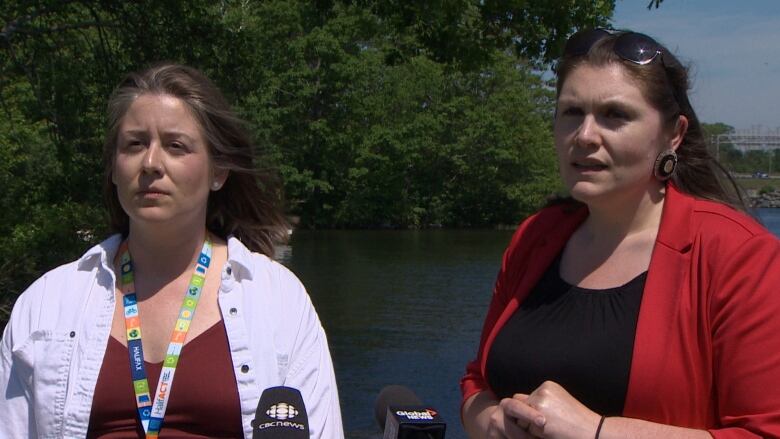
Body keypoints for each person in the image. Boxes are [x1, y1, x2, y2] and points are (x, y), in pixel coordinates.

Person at [461, 28, 780, 439]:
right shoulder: (535, 237)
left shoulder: (739, 256)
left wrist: (596, 432)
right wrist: (486, 419)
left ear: (673, 134)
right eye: (572, 112)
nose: (585, 136)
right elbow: (476, 380)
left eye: (615, 115)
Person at [0, 63, 344, 438]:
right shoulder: (47, 303)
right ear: (114, 168)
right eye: (134, 144)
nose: (150, 163)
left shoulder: (279, 300)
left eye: (175, 146)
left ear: (218, 172)